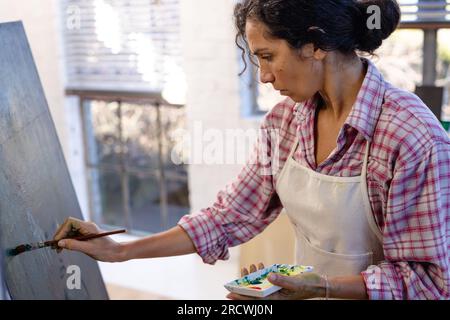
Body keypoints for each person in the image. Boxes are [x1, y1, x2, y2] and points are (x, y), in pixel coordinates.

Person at [53, 0, 450, 300]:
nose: (263, 76)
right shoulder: (285, 122)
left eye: (267, 56)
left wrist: (324, 287)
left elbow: (430, 282)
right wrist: (120, 252)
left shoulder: (409, 136)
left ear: (314, 43)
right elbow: (229, 216)